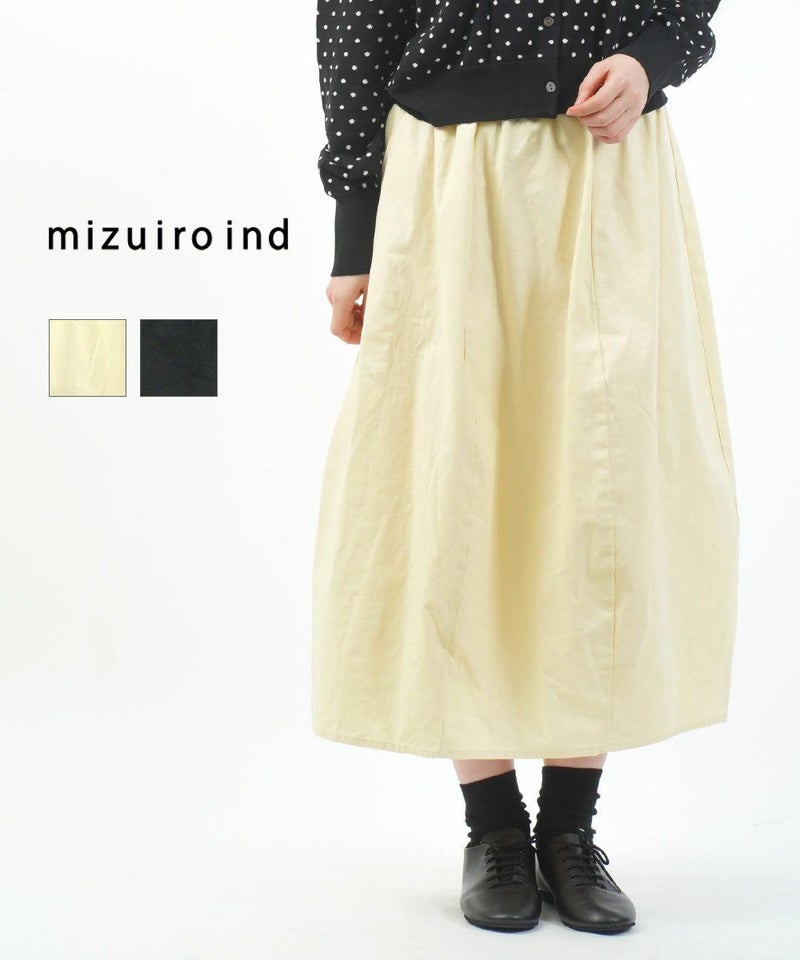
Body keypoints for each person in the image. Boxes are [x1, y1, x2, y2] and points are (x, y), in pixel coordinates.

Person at [311, 0, 738, 935]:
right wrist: (355, 234)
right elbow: (355, 27)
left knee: (603, 496)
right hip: (450, 175)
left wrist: (650, 58)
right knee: (455, 486)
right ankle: (495, 827)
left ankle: (570, 829)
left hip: (610, 171)